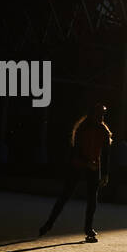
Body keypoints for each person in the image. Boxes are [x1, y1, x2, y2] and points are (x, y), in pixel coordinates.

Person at [39, 101, 111, 242]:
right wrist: (87, 163)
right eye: (99, 114)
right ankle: (49, 223)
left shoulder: (103, 130)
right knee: (66, 195)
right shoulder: (83, 129)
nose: (101, 117)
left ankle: (88, 229)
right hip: (79, 165)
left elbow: (106, 153)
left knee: (91, 199)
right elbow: (76, 150)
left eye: (103, 114)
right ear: (93, 114)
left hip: (93, 167)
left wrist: (105, 173)